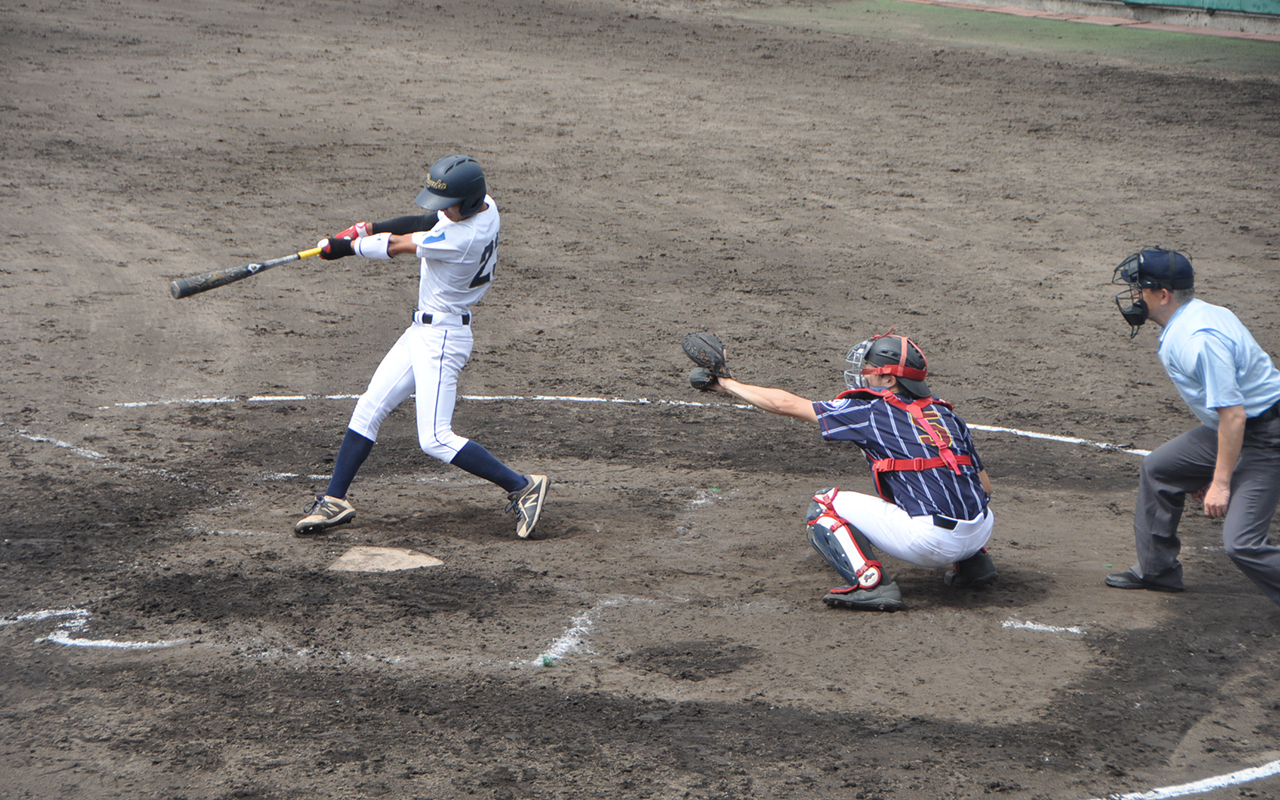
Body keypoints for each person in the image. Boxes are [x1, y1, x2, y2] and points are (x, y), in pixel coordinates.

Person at [293, 154, 548, 539]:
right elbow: (424, 221)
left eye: (449, 203)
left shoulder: (461, 239)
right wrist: (365, 227)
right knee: (369, 407)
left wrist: (342, 248)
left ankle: (522, 485)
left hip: (443, 339)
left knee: (435, 438)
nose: (443, 210)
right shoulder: (486, 207)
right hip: (423, 332)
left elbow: (398, 244)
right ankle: (334, 499)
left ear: (467, 200)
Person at [699, 330, 996, 611]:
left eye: (869, 368)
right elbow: (985, 488)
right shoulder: (945, 414)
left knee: (824, 504)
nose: (863, 372)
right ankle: (974, 565)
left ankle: (871, 583)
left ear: (889, 379)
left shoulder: (870, 411)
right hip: (981, 530)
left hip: (932, 543)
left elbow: (785, 404)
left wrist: (726, 383)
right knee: (938, 482)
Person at [1107, 248, 1280, 605]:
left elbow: (1234, 415)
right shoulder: (1196, 317)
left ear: (1163, 294)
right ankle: (1157, 570)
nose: (1134, 296)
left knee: (1241, 543)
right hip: (1240, 427)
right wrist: (1201, 468)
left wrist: (1219, 481)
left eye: (1139, 287)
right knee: (1160, 469)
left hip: (1268, 436)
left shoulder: (1200, 339)